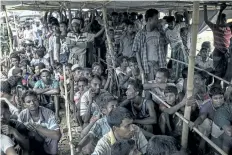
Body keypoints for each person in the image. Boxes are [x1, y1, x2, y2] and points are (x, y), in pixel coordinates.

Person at [18, 90, 61, 155]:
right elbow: (19, 133)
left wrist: (36, 127)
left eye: (34, 100)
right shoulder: (22, 115)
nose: (32, 103)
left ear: (38, 100)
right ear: (24, 105)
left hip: (48, 145)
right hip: (32, 144)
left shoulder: (48, 113)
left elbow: (57, 136)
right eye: (28, 102)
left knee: (52, 135)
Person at [188, 86, 225, 154]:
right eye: (215, 98)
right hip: (206, 128)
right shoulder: (206, 106)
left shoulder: (226, 104)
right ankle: (202, 146)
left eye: (221, 98)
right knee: (207, 123)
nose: (219, 101)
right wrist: (195, 123)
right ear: (211, 99)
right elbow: (202, 117)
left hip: (220, 126)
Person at [133, 9, 166, 81]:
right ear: (150, 19)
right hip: (146, 67)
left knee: (160, 88)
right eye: (156, 18)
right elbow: (137, 52)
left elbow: (166, 44)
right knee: (148, 88)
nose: (158, 20)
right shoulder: (140, 34)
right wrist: (141, 69)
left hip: (159, 66)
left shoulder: (159, 32)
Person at [204, 4, 232, 86]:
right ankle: (216, 87)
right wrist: (205, 7)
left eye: (223, 20)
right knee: (218, 73)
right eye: (220, 20)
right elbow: (206, 20)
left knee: (227, 73)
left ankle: (223, 88)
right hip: (218, 52)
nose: (222, 21)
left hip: (226, 53)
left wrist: (221, 10)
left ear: (225, 20)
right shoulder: (215, 27)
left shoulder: (228, 29)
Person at [165, 13, 189, 81]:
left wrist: (185, 12)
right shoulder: (166, 31)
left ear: (174, 22)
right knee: (175, 63)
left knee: (182, 62)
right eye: (169, 24)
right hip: (174, 49)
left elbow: (187, 22)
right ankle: (176, 76)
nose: (171, 25)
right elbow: (167, 40)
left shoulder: (178, 26)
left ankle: (183, 76)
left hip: (180, 47)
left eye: (172, 23)